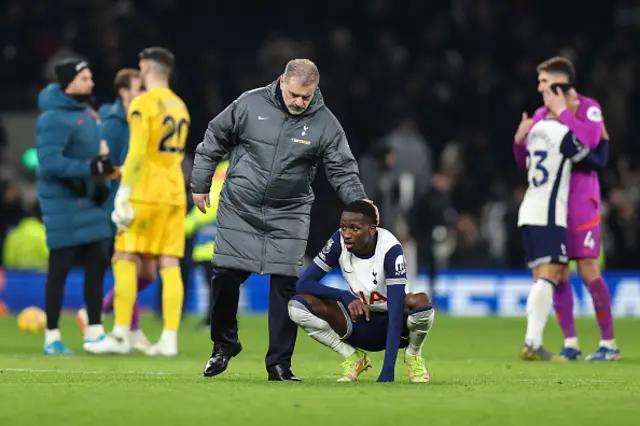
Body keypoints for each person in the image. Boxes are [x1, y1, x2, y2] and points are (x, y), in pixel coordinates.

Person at [190, 59, 375, 381]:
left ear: (315, 90)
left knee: (286, 288)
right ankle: (224, 344)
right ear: (281, 82)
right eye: (294, 95)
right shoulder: (249, 104)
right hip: (241, 207)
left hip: (289, 212)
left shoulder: (325, 123)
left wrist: (359, 204)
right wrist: (200, 184)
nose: (300, 102)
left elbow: (342, 169)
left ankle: (279, 364)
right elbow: (215, 137)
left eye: (306, 97)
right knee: (224, 276)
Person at [84, 47, 190, 356]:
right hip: (173, 193)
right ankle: (169, 338)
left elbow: (137, 152)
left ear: (145, 69)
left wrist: (123, 192)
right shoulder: (180, 106)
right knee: (169, 263)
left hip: (146, 192)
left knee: (125, 255)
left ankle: (118, 335)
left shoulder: (144, 102)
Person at [513, 57, 620, 361]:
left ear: (560, 83)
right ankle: (570, 342)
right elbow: (525, 161)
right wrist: (519, 141)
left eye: (544, 81)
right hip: (554, 203)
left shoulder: (588, 107)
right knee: (558, 272)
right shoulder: (540, 115)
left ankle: (609, 343)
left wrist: (563, 114)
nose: (539, 87)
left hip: (582, 201)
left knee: (587, 268)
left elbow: (591, 146)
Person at [289, 201, 434, 382]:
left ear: (372, 230)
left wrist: (388, 370)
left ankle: (413, 355)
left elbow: (396, 311)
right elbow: (303, 283)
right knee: (297, 306)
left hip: (395, 326)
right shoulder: (338, 241)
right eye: (343, 227)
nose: (347, 234)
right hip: (359, 321)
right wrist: (345, 295)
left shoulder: (390, 249)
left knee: (422, 303)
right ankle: (353, 357)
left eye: (355, 229)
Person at [36, 57, 115, 355]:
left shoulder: (89, 114)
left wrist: (102, 183)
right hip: (64, 207)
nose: (92, 83)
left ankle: (94, 333)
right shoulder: (52, 118)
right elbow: (49, 162)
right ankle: (52, 336)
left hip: (91, 204)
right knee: (60, 270)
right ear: (68, 83)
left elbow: (96, 160)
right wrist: (91, 169)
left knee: (97, 266)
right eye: (85, 78)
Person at [77, 68, 154, 352]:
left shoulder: (140, 119)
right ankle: (131, 329)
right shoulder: (111, 123)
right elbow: (100, 165)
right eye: (138, 88)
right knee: (132, 267)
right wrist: (122, 175)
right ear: (123, 91)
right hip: (116, 205)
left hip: (140, 201)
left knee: (147, 272)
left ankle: (99, 311)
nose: (143, 93)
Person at [185, 160, 229, 329]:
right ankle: (215, 319)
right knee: (216, 284)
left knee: (214, 284)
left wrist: (188, 224)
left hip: (213, 245)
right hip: (213, 243)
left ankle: (213, 321)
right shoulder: (227, 167)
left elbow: (212, 202)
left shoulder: (225, 168)